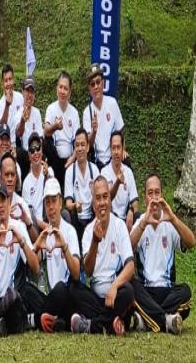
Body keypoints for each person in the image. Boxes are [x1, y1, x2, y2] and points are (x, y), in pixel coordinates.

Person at [128, 174, 194, 334]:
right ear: (145, 197)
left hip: (168, 291)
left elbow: (191, 242)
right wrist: (144, 224)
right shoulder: (140, 222)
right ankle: (166, 321)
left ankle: (146, 319)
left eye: (157, 192)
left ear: (162, 195)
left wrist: (173, 218)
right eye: (150, 193)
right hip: (146, 290)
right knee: (130, 285)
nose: (154, 197)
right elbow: (128, 248)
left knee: (186, 292)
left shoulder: (170, 222)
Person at [70, 177, 134, 335]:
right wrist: (95, 241)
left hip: (115, 294)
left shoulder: (119, 226)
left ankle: (91, 325)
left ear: (110, 199)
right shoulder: (88, 231)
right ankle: (113, 322)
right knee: (73, 289)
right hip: (96, 296)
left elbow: (130, 266)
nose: (102, 203)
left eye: (105, 197)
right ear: (93, 204)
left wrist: (114, 287)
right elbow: (88, 271)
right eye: (98, 198)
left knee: (129, 291)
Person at [0, 181, 42, 336]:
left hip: (16, 299)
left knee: (12, 295)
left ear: (9, 202)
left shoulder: (19, 228)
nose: (1, 205)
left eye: (3, 200)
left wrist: (21, 242)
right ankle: (10, 322)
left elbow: (36, 269)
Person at [34, 178, 80, 333]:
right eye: (47, 203)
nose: (51, 207)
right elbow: (33, 267)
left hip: (66, 292)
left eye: (54, 201)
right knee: (27, 290)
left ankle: (36, 319)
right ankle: (57, 320)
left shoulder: (70, 232)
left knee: (62, 288)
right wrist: (36, 247)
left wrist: (64, 247)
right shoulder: (45, 235)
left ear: (60, 203)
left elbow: (76, 273)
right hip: (51, 295)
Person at [82, 63, 124, 168]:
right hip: (97, 161)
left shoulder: (112, 103)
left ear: (103, 83)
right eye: (92, 84)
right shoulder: (87, 112)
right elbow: (88, 144)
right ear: (89, 89)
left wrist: (123, 150)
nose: (96, 87)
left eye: (98, 82)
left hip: (113, 156)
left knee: (126, 162)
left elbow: (120, 131)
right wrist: (94, 131)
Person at [43, 71, 79, 186]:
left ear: (70, 92)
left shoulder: (74, 113)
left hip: (70, 158)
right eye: (61, 87)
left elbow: (78, 140)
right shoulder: (51, 108)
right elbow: (46, 131)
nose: (62, 91)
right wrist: (55, 126)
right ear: (57, 88)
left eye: (66, 88)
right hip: (54, 156)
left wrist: (72, 158)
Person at [64, 128, 100, 241]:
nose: (80, 148)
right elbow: (68, 204)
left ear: (88, 147)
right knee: (66, 215)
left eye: (83, 145)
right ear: (74, 148)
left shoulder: (94, 170)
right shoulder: (70, 171)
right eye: (77, 145)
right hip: (77, 218)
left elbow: (99, 199)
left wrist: (94, 195)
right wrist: (75, 205)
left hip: (91, 216)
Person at [100, 132, 138, 230]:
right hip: (110, 218)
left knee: (138, 216)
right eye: (113, 148)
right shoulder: (104, 172)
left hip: (125, 218)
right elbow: (106, 200)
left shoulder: (128, 172)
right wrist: (117, 182)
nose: (116, 152)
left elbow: (135, 202)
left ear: (123, 149)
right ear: (110, 150)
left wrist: (131, 211)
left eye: (118, 147)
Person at [21, 133, 53, 230]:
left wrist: (47, 177)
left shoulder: (50, 171)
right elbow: (28, 214)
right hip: (36, 226)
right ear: (29, 155)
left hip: (50, 219)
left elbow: (54, 198)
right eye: (32, 150)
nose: (35, 153)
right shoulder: (26, 183)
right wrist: (45, 226)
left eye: (38, 148)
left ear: (41, 150)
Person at [10, 77, 43, 153]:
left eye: (32, 92)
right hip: (24, 152)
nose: (30, 95)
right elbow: (19, 134)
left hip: (36, 151)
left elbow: (40, 137)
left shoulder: (37, 112)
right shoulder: (18, 115)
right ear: (23, 92)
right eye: (27, 91)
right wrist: (23, 120)